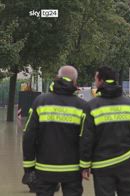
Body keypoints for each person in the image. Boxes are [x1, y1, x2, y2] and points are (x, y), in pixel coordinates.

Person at [79, 66, 130, 196]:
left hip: (102, 167)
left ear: (101, 81)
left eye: (95, 79)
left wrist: (85, 165)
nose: (95, 82)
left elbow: (86, 138)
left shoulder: (92, 106)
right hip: (127, 163)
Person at [22, 65, 87, 196]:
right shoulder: (82, 106)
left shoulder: (40, 101)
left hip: (44, 169)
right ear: (75, 82)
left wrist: (29, 167)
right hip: (72, 170)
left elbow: (29, 136)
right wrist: (85, 166)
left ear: (57, 78)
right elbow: (86, 139)